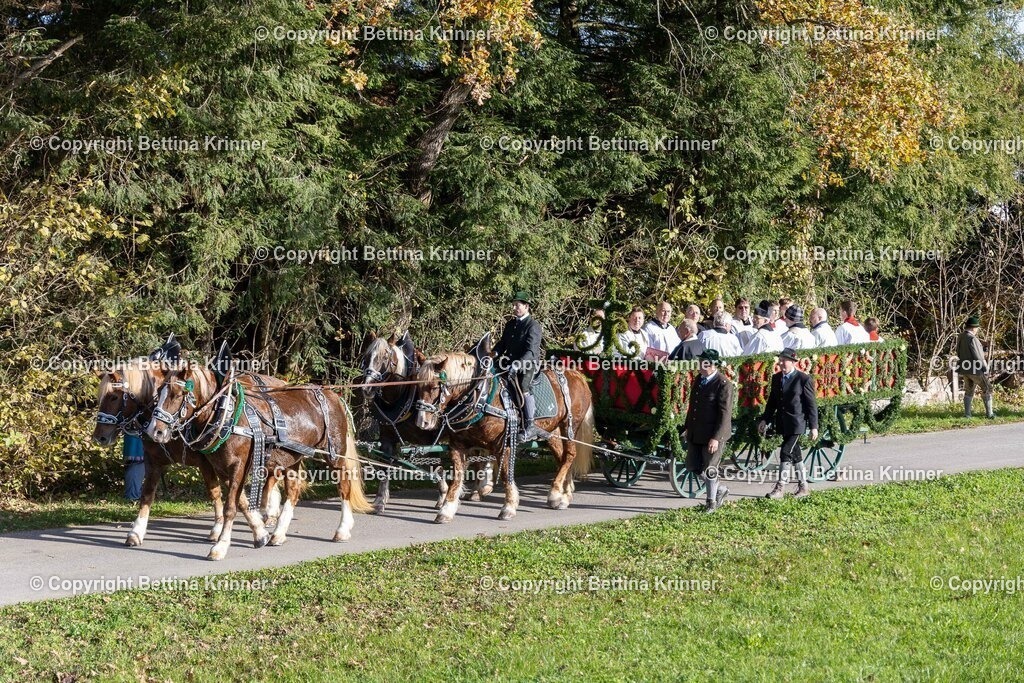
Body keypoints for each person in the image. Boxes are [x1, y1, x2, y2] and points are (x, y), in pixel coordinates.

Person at [759, 348, 819, 499]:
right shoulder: (777, 378)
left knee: (785, 451)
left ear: (793, 362)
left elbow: (811, 405)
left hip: (797, 424)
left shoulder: (803, 379)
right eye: (780, 360)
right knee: (796, 454)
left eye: (784, 360)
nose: (780, 363)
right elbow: (772, 402)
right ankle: (804, 487)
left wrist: (813, 427)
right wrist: (765, 419)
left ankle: (780, 488)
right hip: (783, 422)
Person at [683, 349, 734, 513]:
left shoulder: (723, 384)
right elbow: (693, 407)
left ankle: (711, 502)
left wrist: (716, 438)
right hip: (696, 431)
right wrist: (687, 428)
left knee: (710, 468)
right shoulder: (700, 379)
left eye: (703, 362)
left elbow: (725, 414)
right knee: (692, 466)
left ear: (712, 365)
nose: (699, 365)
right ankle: (719, 489)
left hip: (713, 434)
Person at [494, 291, 544, 440]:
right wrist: (493, 354)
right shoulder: (510, 324)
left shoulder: (533, 326)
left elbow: (531, 351)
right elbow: (502, 344)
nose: (515, 307)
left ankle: (530, 425)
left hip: (528, 363)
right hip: (508, 363)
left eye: (518, 305)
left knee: (523, 386)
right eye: (513, 305)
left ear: (526, 306)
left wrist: (517, 365)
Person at [956, 315, 994, 419]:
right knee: (988, 388)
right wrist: (985, 369)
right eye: (977, 328)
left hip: (964, 368)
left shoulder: (961, 336)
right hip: (975, 370)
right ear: (973, 328)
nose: (977, 330)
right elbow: (978, 357)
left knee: (969, 391)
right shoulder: (973, 339)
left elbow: (958, 352)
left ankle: (967, 414)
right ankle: (990, 414)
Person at [123, 433, 145, 502]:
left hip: (137, 435)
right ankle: (132, 496)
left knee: (136, 462)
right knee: (136, 462)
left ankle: (132, 495)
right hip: (135, 436)